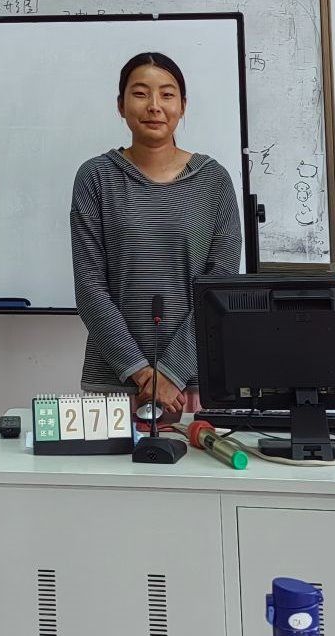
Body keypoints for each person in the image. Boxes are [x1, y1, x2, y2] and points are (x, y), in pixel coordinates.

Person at [70, 52, 244, 424]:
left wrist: (171, 372)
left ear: (183, 105)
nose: (154, 106)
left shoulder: (214, 180)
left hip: (197, 381)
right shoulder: (95, 177)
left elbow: (221, 287)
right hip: (116, 381)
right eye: (140, 93)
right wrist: (141, 372)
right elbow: (89, 286)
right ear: (120, 105)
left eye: (167, 94)